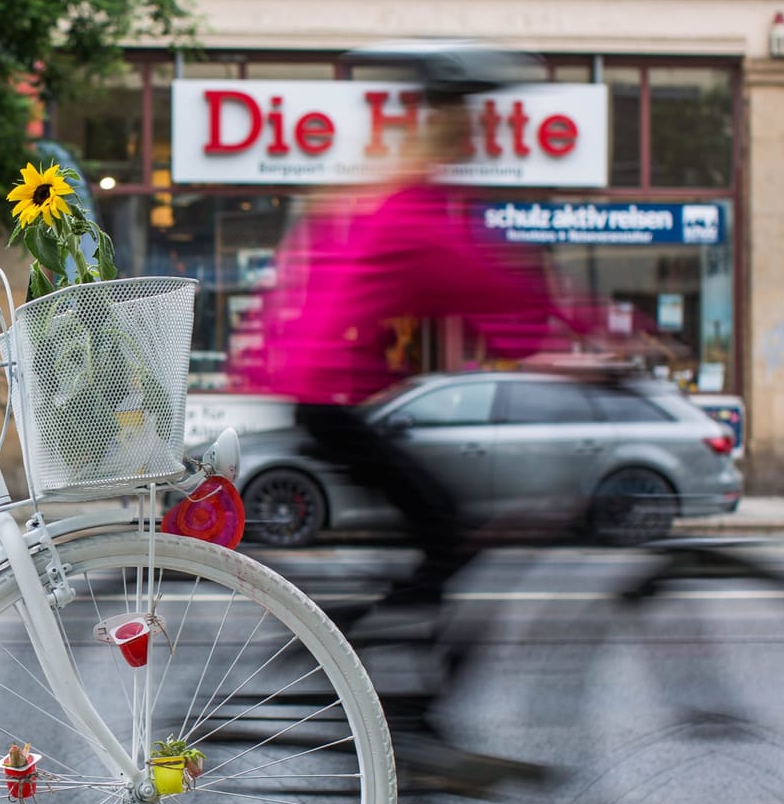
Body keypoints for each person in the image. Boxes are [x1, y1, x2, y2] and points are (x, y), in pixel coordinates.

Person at [239, 42, 580, 607]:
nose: (477, 141)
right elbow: (484, 281)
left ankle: (399, 638)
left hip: (328, 389)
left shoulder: (395, 197)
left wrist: (543, 339)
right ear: (450, 138)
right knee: (443, 524)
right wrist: (568, 339)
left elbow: (477, 280)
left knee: (435, 520)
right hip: (329, 396)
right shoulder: (410, 207)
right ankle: (382, 663)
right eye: (468, 131)